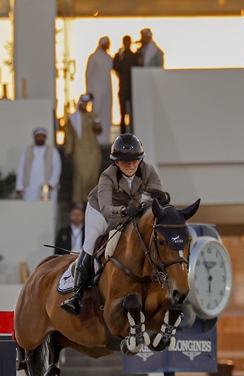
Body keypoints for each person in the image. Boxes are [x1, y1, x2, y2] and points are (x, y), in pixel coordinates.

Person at [60, 133, 169, 316]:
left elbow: (158, 192)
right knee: (91, 243)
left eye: (135, 160)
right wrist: (124, 211)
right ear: (116, 162)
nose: (131, 165)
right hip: (101, 213)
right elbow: (105, 207)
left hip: (129, 212)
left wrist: (161, 197)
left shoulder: (148, 171)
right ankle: (76, 295)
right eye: (125, 161)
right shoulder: (107, 176)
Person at [63, 93, 103, 206]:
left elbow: (98, 131)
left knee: (92, 175)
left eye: (86, 104)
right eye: (83, 103)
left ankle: (90, 200)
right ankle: (78, 201)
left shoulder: (92, 116)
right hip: (79, 151)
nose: (84, 106)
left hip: (93, 151)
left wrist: (97, 122)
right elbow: (70, 134)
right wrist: (69, 149)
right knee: (80, 176)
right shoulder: (73, 118)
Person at [16, 127, 62, 202]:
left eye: (42, 136)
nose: (40, 138)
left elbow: (57, 168)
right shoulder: (27, 151)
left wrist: (52, 183)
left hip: (47, 187)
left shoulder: (52, 151)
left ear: (45, 137)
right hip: (29, 187)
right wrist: (19, 186)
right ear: (34, 137)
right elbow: (21, 168)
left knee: (47, 210)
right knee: (30, 209)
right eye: (38, 136)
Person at [85, 37, 114, 143]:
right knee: (96, 113)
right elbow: (88, 74)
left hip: (107, 89)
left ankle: (105, 138)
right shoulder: (94, 57)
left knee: (106, 113)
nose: (108, 46)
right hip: (96, 89)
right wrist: (89, 90)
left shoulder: (108, 58)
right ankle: (96, 138)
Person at [112, 35, 140, 134]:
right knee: (123, 113)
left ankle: (133, 131)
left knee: (133, 112)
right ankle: (123, 133)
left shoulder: (134, 56)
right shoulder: (120, 56)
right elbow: (116, 67)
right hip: (123, 86)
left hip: (132, 87)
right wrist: (119, 58)